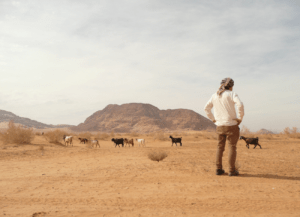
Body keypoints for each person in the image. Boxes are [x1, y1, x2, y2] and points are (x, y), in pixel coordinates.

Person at [204, 78, 244, 176]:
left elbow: (206, 108)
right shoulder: (232, 94)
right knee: (232, 147)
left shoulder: (214, 95)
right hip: (231, 125)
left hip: (219, 126)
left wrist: (213, 119)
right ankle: (232, 170)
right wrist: (240, 118)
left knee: (220, 147)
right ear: (231, 86)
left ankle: (218, 169)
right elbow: (240, 105)